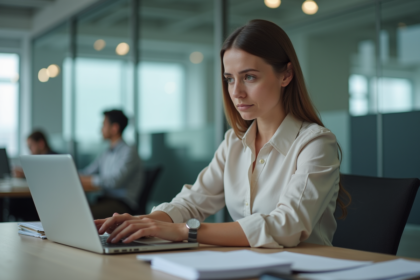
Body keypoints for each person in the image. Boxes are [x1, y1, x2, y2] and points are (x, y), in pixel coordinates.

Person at [95, 19, 351, 248]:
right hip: (246, 267)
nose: (236, 91)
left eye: (249, 77)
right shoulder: (234, 143)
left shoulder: (316, 144)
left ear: (286, 75)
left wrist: (183, 231)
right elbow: (192, 202)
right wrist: (143, 222)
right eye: (230, 79)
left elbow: (286, 226)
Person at [79, 109, 143, 219]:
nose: (101, 129)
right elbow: (88, 171)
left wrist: (87, 179)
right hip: (105, 200)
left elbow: (114, 181)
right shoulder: (106, 152)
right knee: (77, 208)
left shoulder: (129, 151)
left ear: (114, 128)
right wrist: (73, 175)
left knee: (81, 213)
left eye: (104, 125)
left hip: (122, 204)